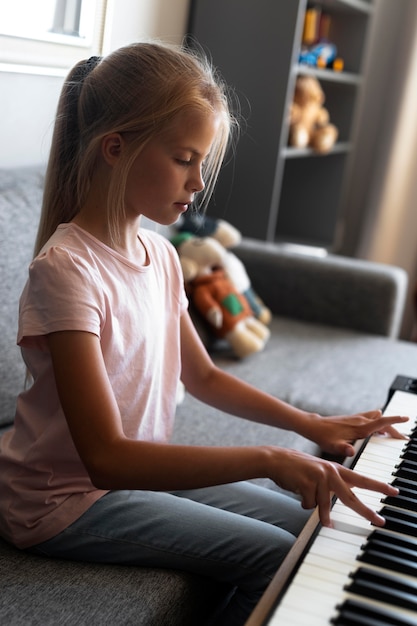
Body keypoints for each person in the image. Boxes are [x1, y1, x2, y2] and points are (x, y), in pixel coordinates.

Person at [0, 42, 408, 626]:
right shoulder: (67, 271)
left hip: (137, 476)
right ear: (116, 148)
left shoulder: (161, 256)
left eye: (202, 163)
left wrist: (309, 424)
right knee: (278, 561)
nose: (197, 183)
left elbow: (205, 375)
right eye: (184, 159)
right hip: (64, 502)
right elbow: (106, 460)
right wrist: (268, 458)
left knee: (317, 529)